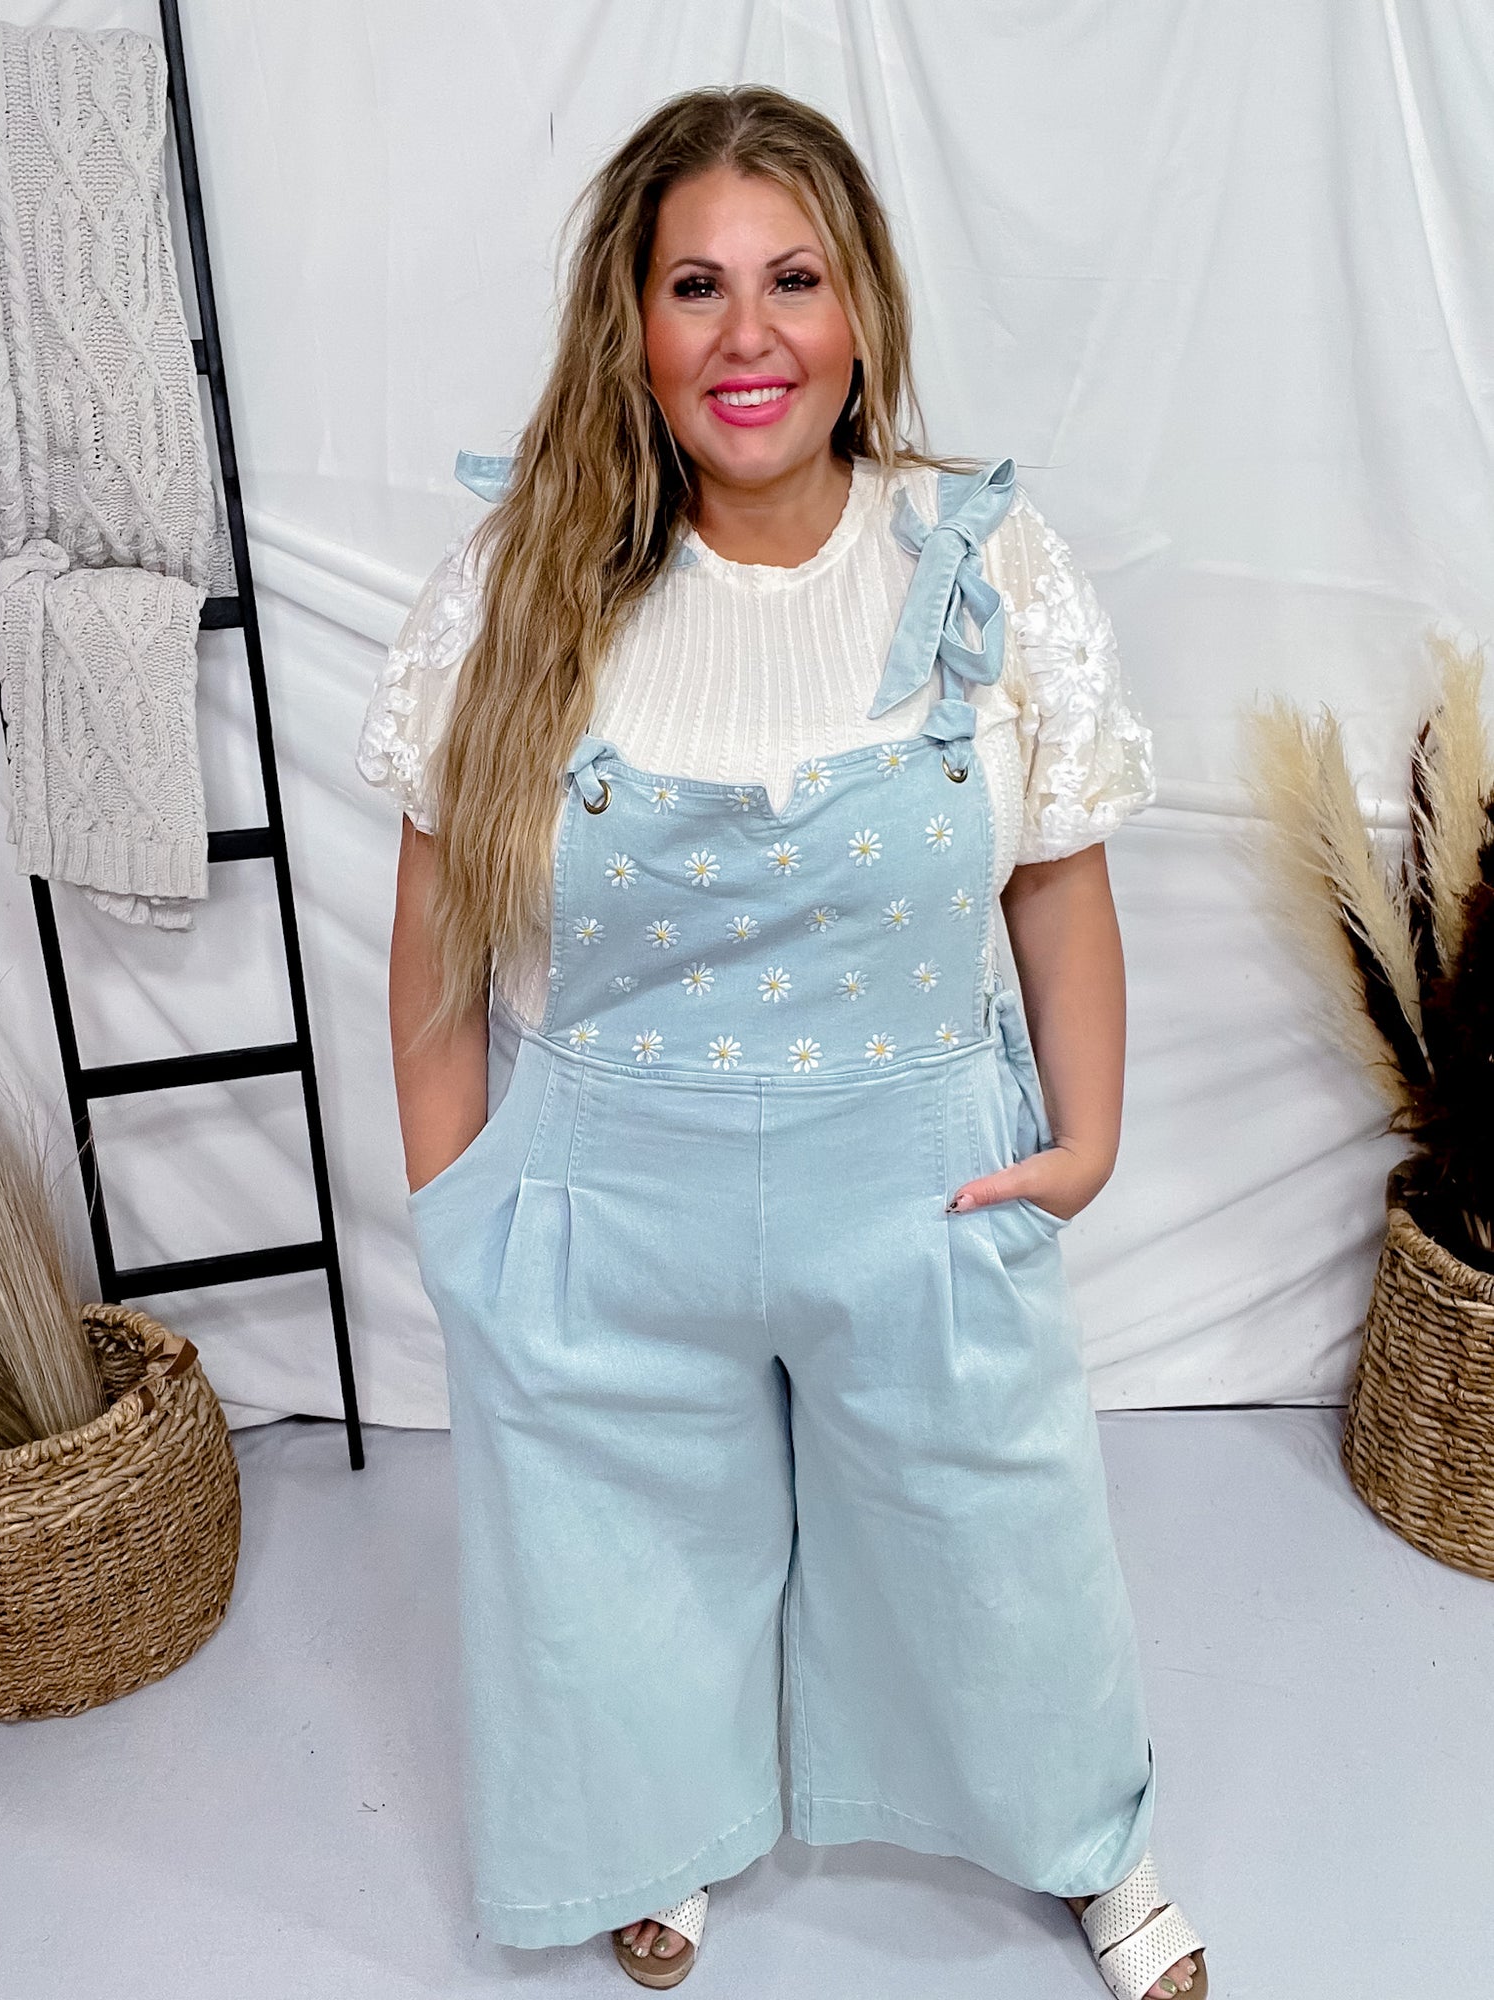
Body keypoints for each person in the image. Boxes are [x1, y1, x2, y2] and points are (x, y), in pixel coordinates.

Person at [356, 84, 1206, 2000]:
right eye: (697, 286)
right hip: (610, 1198)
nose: (749, 336)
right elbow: (433, 945)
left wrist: (1086, 1142)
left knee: (1000, 1541)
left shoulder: (981, 563)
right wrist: (463, 1210)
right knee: (618, 1548)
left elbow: (1057, 882)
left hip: (920, 1183)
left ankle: (1096, 1837)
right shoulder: (519, 584)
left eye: (793, 280)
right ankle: (656, 1825)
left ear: (862, 309)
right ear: (633, 323)